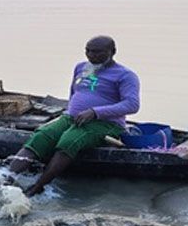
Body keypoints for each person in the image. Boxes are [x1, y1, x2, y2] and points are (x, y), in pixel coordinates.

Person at [8, 35, 140, 196]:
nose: (91, 56)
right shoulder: (81, 67)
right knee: (42, 136)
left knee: (69, 141)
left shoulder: (125, 75)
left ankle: (37, 187)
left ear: (112, 52)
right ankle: (6, 178)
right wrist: (69, 113)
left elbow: (132, 105)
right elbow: (74, 93)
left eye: (98, 52)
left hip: (105, 123)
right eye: (88, 51)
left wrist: (95, 112)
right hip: (72, 117)